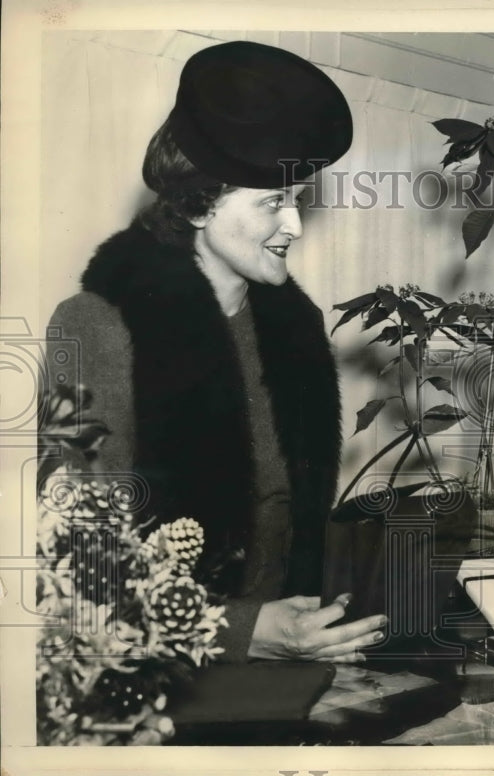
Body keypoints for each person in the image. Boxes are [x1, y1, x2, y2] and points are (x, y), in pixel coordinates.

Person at [45, 41, 386, 663]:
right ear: (200, 202)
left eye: (299, 200)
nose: (295, 227)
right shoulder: (92, 328)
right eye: (272, 202)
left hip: (284, 682)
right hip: (156, 686)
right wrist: (250, 631)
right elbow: (79, 570)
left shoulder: (293, 327)